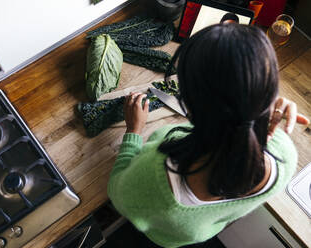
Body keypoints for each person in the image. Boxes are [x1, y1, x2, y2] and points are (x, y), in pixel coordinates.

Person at [107, 23, 309, 248]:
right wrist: (261, 108)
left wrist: (133, 131)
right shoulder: (285, 153)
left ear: (190, 109)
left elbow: (118, 193)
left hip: (159, 235)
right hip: (195, 233)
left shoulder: (158, 172)